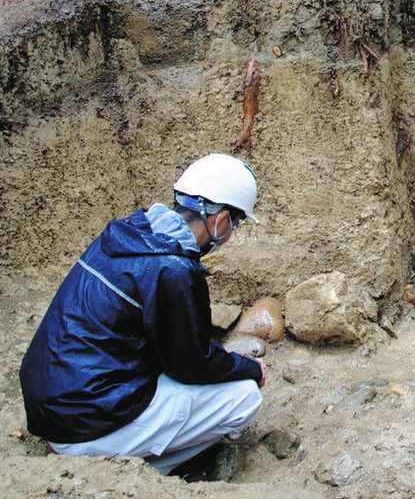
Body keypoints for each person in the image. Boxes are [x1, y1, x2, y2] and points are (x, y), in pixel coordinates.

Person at [20, 153, 266, 475]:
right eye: (235, 223)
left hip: (50, 406)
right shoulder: (173, 269)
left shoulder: (123, 235)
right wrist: (249, 368)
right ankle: (140, 475)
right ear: (220, 221)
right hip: (84, 425)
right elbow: (191, 365)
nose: (231, 232)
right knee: (244, 397)